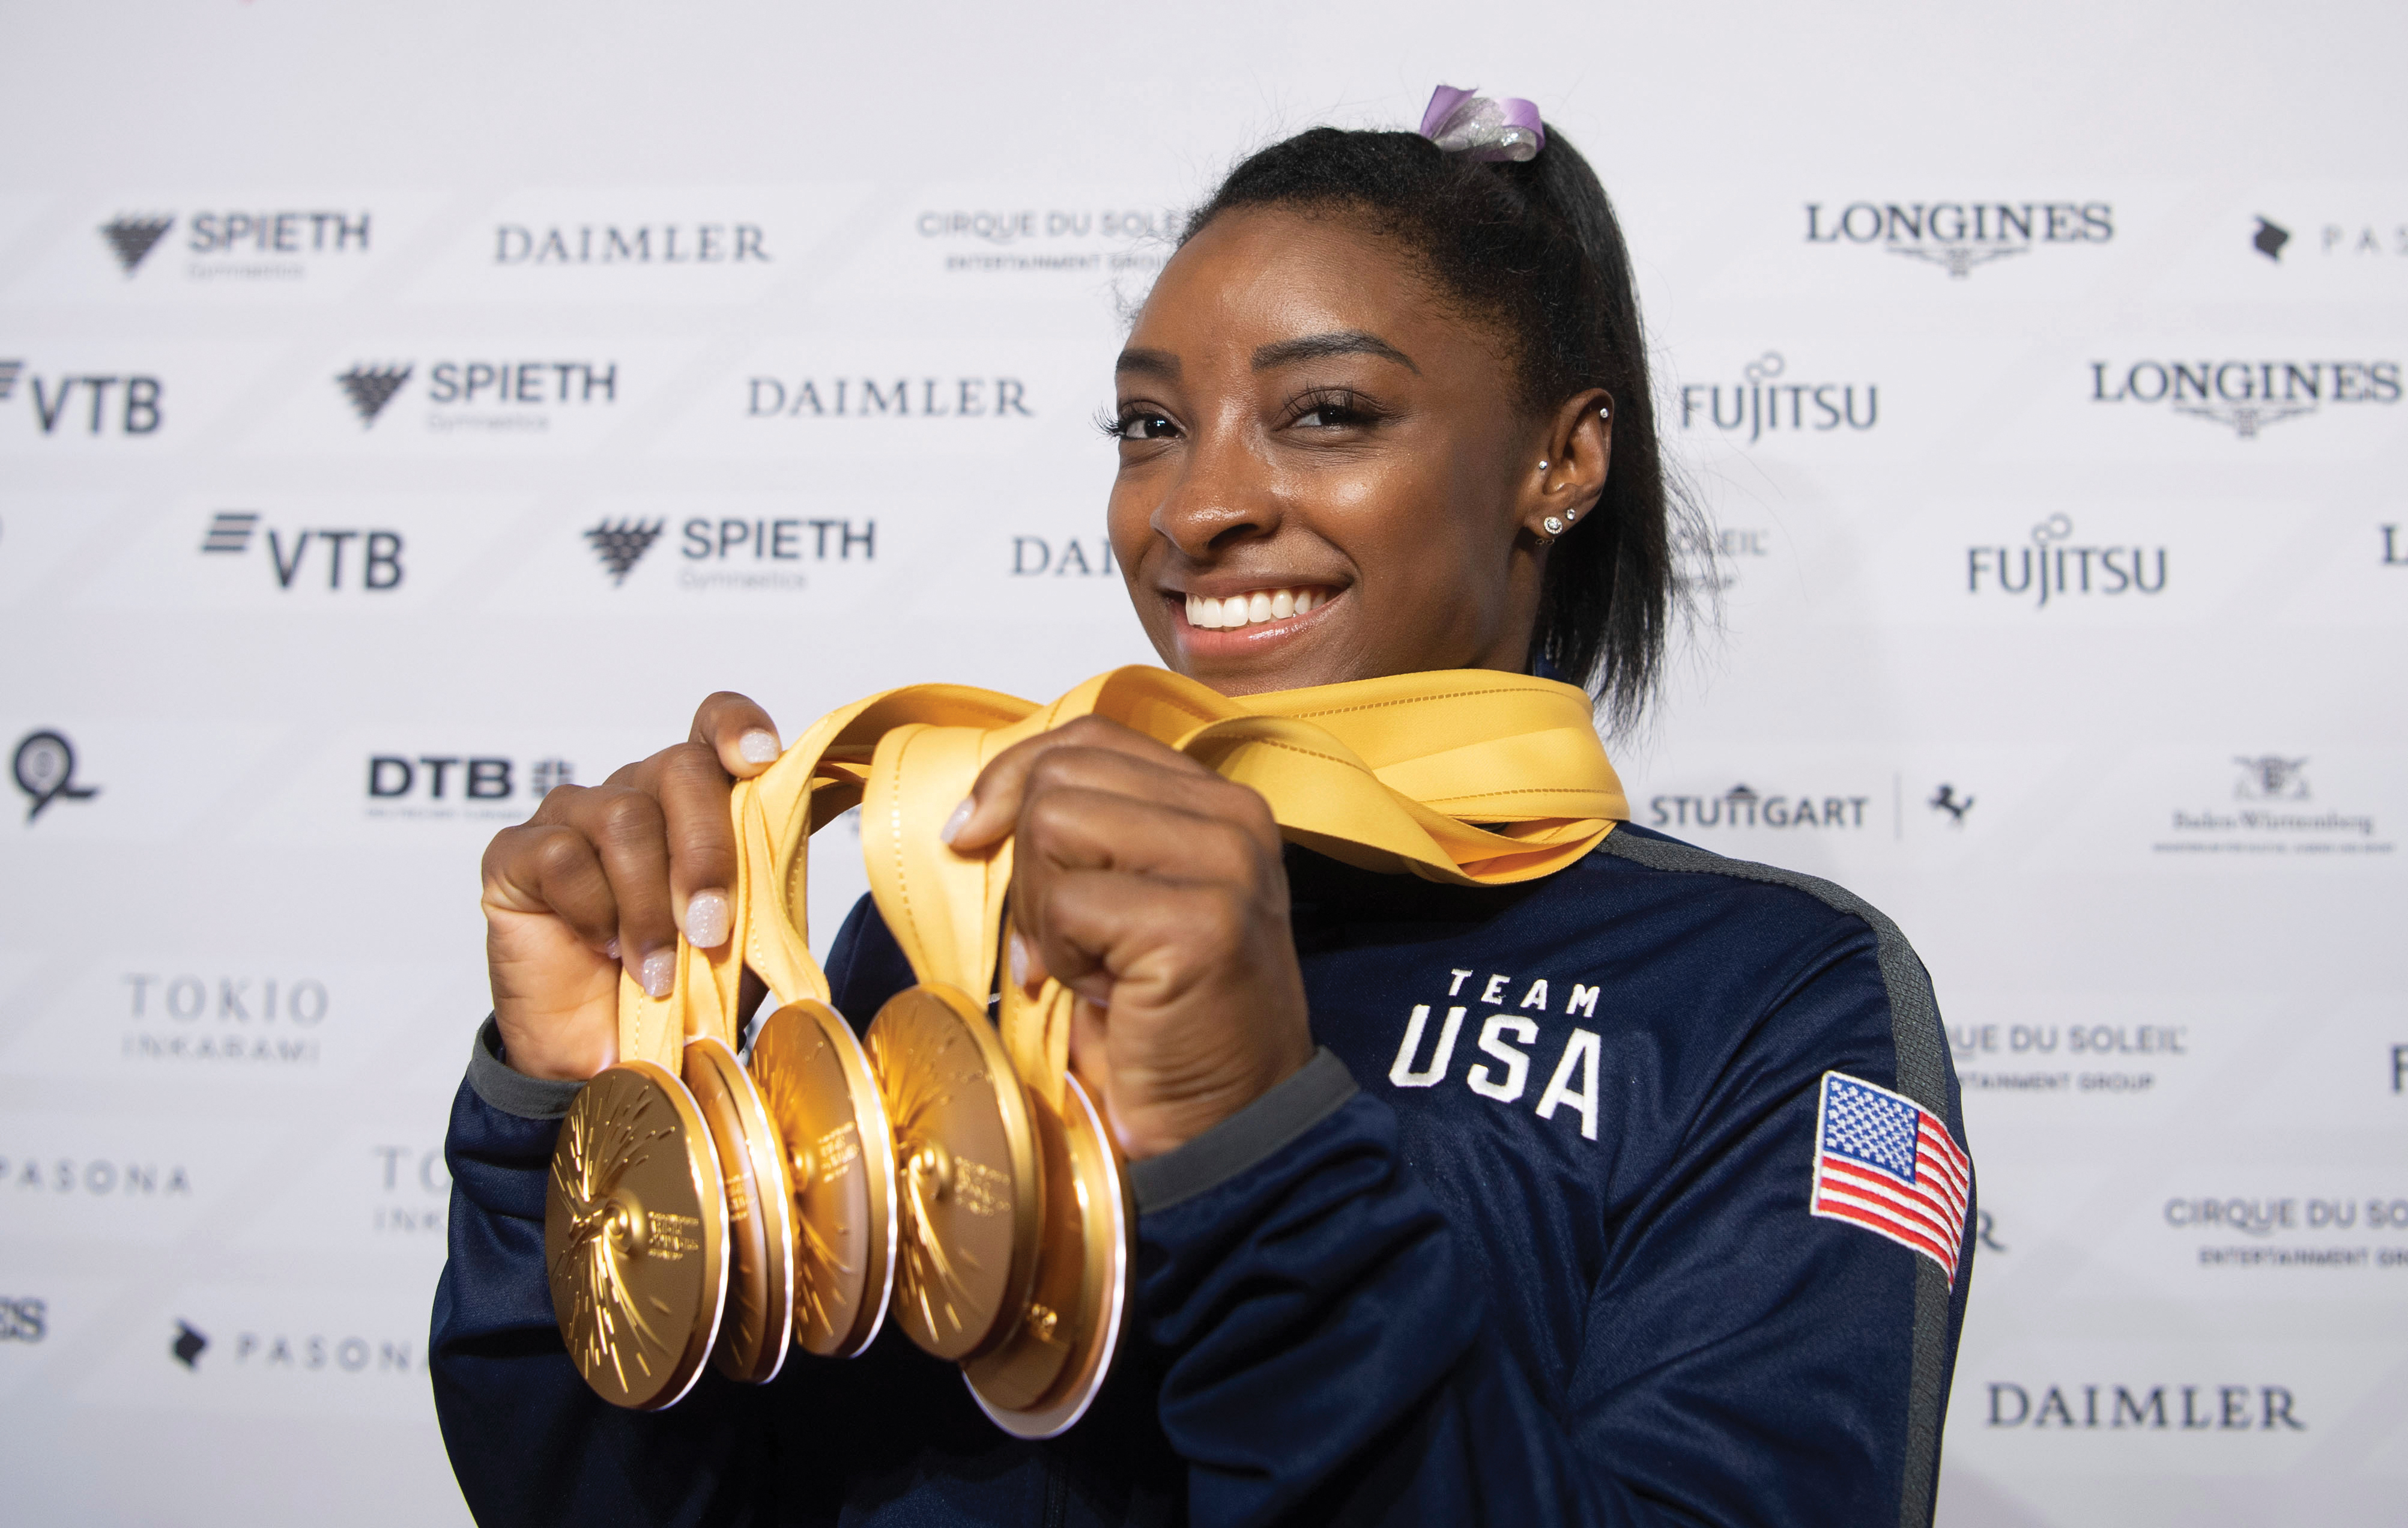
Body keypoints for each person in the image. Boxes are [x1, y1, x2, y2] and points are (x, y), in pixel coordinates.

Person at [435, 90, 1973, 1527]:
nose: (1191, 510)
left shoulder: (1767, 995)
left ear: (1559, 462)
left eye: (1325, 414)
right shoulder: (941, 921)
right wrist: (572, 1127)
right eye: (1150, 427)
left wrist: (1252, 1135)